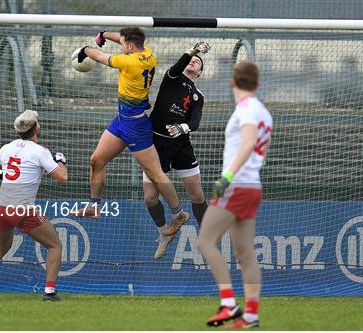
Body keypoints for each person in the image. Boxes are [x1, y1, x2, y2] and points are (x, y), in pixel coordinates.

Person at [71, 27, 191, 234]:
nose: (122, 46)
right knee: (96, 160)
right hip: (122, 121)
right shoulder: (148, 54)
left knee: (155, 173)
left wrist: (84, 49)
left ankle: (178, 213)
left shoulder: (127, 62)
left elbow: (97, 56)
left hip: (136, 126)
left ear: (130, 47)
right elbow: (124, 40)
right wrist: (104, 34)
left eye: (124, 45)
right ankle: (93, 206)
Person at [196, 60, 273, 328]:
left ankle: (228, 304)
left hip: (237, 184)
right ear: (258, 84)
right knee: (244, 251)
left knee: (205, 241)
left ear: (232, 82)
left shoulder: (246, 110)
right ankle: (251, 314)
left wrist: (227, 176)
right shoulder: (264, 111)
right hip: (253, 186)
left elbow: (250, 142)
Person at [0, 110, 68, 302]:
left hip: (1, 208)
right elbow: (62, 178)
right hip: (22, 209)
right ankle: (50, 293)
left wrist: (2, 176)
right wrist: (61, 161)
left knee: (0, 248)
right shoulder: (40, 151)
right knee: (55, 245)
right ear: (36, 128)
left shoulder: (7, 148)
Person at [143, 42, 210, 260]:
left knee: (196, 193)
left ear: (199, 72)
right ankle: (164, 232)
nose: (193, 62)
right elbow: (182, 62)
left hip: (181, 146)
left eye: (198, 62)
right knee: (150, 198)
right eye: (192, 59)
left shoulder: (198, 95)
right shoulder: (172, 78)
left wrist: (183, 127)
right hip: (156, 144)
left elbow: (196, 122)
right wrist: (195, 50)